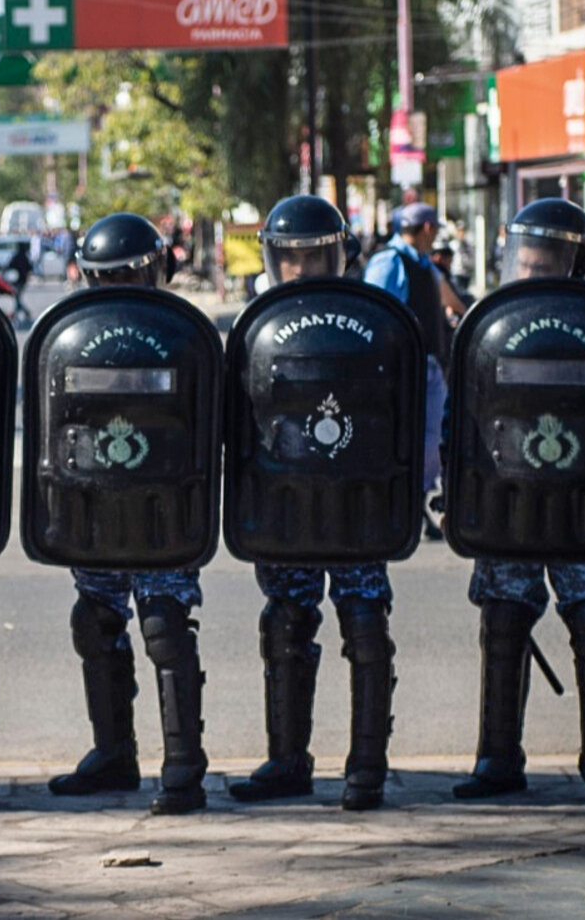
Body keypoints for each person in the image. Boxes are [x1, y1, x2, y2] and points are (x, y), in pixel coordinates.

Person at [450, 198, 585, 807]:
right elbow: (465, 416)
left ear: (574, 261)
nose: (530, 267)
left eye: (544, 257)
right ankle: (498, 759)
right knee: (503, 621)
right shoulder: (492, 319)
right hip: (511, 499)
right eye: (523, 257)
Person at [228, 196, 397, 812]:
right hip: (286, 498)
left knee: (366, 624)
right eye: (288, 258)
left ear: (339, 253)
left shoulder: (376, 317)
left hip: (356, 500)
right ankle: (287, 762)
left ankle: (368, 768)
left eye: (311, 256)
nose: (299, 269)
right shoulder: (259, 320)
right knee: (286, 623)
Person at [45, 212, 209, 816]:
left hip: (163, 508)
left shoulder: (183, 333)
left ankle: (184, 768)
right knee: (95, 623)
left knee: (165, 629)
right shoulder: (71, 335)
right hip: (97, 506)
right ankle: (114, 755)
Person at [363, 203, 452, 540]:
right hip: (404, 367)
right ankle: (404, 505)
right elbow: (377, 313)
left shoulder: (422, 261)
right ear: (426, 229)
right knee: (410, 437)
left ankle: (415, 501)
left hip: (427, 363)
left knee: (431, 439)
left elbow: (444, 294)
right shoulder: (390, 261)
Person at [6, 240, 34, 324]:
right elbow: (30, 267)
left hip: (16, 280)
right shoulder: (25, 257)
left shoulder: (16, 256)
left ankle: (19, 312)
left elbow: (9, 265)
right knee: (17, 297)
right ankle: (19, 312)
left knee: (17, 297)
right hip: (23, 280)